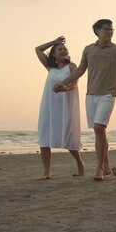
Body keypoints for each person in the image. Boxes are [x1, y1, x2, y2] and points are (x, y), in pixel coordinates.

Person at [54, 19, 116, 181]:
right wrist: (63, 83)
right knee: (100, 131)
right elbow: (81, 70)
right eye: (106, 29)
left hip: (108, 94)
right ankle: (106, 166)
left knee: (98, 128)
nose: (110, 32)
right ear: (97, 31)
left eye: (112, 29)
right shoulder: (88, 49)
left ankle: (98, 170)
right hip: (91, 95)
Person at [34, 36, 84, 180]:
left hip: (66, 105)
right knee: (45, 137)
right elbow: (38, 49)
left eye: (64, 49)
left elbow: (74, 84)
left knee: (68, 136)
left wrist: (64, 89)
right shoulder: (51, 68)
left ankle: (80, 163)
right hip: (49, 106)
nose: (63, 50)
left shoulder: (72, 66)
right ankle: (47, 171)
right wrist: (54, 42)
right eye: (59, 49)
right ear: (54, 54)